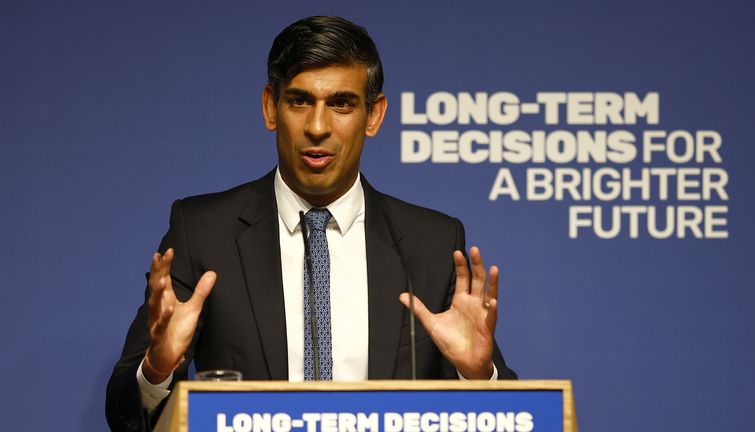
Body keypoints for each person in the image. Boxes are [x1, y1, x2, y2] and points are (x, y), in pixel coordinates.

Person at [106, 15, 516, 432]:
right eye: (300, 101)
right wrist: (157, 370)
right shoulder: (203, 232)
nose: (318, 127)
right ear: (271, 107)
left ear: (374, 116)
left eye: (341, 104)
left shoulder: (432, 244)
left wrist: (477, 376)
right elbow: (123, 412)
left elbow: (508, 417)